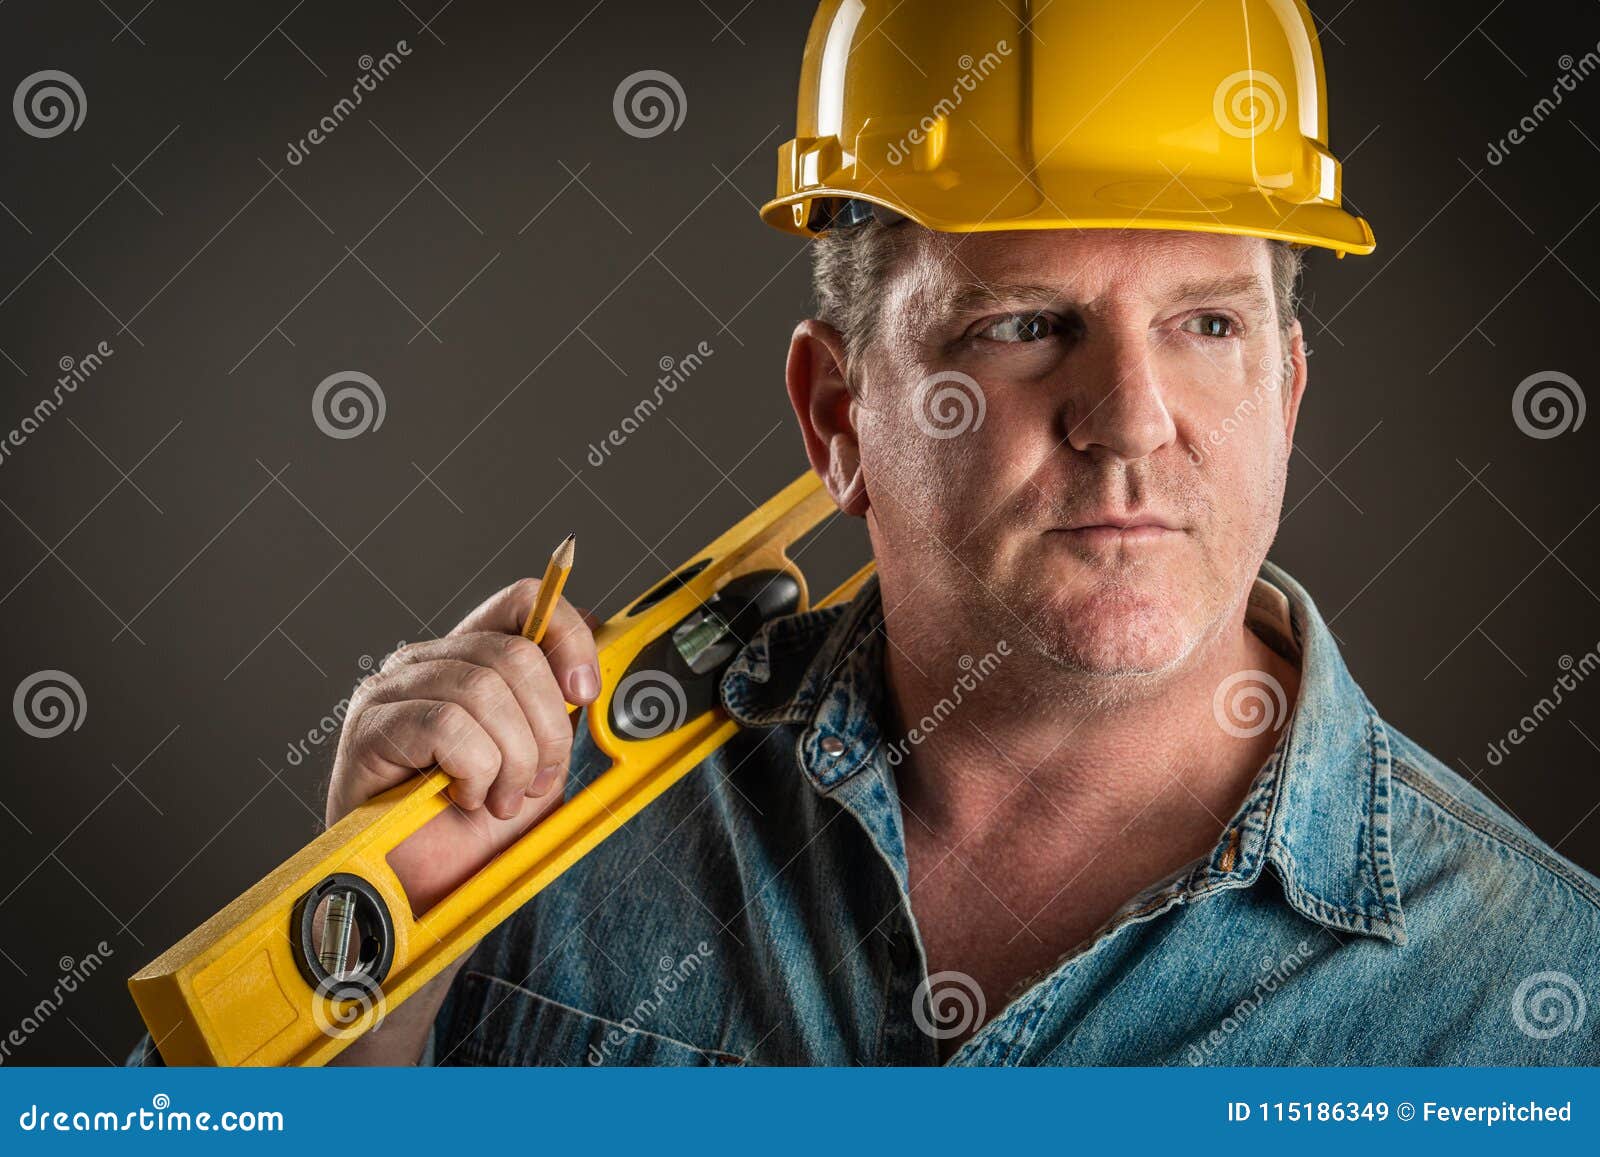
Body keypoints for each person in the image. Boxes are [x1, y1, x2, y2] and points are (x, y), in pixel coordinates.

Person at [128, 0, 1598, 1067]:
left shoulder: (1539, 1001)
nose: (1132, 419)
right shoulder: (538, 836)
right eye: (1026, 327)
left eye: (1206, 323)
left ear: (1284, 390)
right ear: (838, 415)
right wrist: (359, 982)